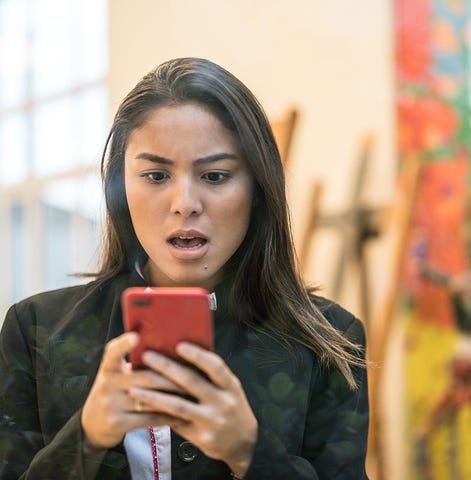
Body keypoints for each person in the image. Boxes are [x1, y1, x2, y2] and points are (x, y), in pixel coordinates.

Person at [0, 57, 369, 479]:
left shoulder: (330, 344)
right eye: (156, 176)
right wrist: (85, 436)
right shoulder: (34, 331)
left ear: (257, 190)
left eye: (214, 176)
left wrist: (249, 452)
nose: (184, 203)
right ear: (120, 186)